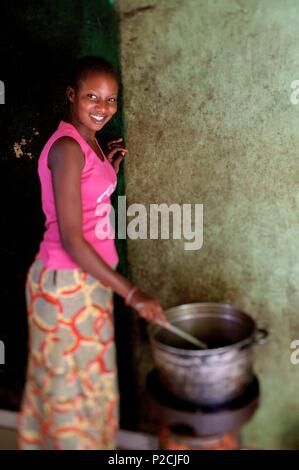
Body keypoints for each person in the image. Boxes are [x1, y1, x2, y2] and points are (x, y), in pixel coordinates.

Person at [18, 55, 167, 450]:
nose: (103, 107)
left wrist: (109, 170)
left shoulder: (90, 143)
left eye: (111, 100)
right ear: (71, 95)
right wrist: (132, 293)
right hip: (65, 284)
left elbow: (88, 199)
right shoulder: (67, 147)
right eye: (92, 97)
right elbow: (72, 238)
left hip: (89, 280)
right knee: (70, 394)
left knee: (88, 382)